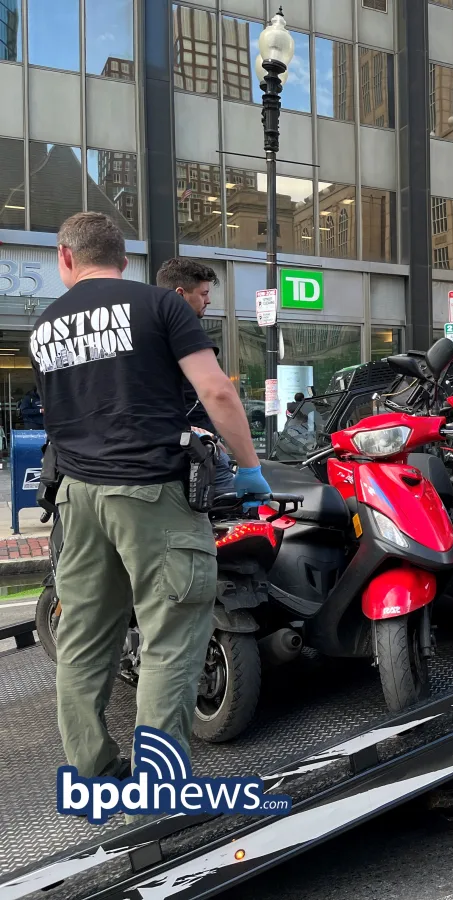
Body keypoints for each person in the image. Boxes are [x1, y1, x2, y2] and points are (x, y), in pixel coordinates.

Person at [31, 212, 271, 778]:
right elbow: (215, 391)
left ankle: (92, 772)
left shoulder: (44, 325)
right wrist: (249, 467)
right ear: (124, 259)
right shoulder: (160, 305)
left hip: (76, 498)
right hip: (151, 493)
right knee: (171, 635)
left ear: (66, 257)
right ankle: (159, 788)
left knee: (84, 639)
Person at [155, 258, 218, 432]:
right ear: (180, 294)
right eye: (203, 294)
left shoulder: (152, 329)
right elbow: (216, 391)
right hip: (188, 436)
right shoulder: (183, 330)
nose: (208, 300)